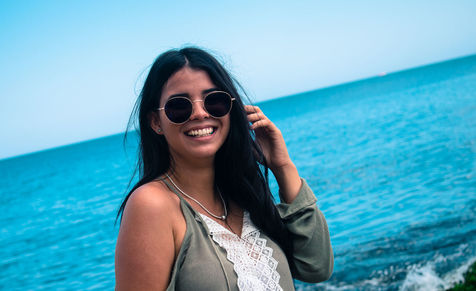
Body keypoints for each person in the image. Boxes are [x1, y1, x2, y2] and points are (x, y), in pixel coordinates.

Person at [115, 47, 333, 291]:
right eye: (179, 106)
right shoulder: (152, 204)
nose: (199, 113)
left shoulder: (243, 195)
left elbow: (317, 268)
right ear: (156, 122)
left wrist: (282, 166)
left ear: (231, 109)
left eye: (214, 101)